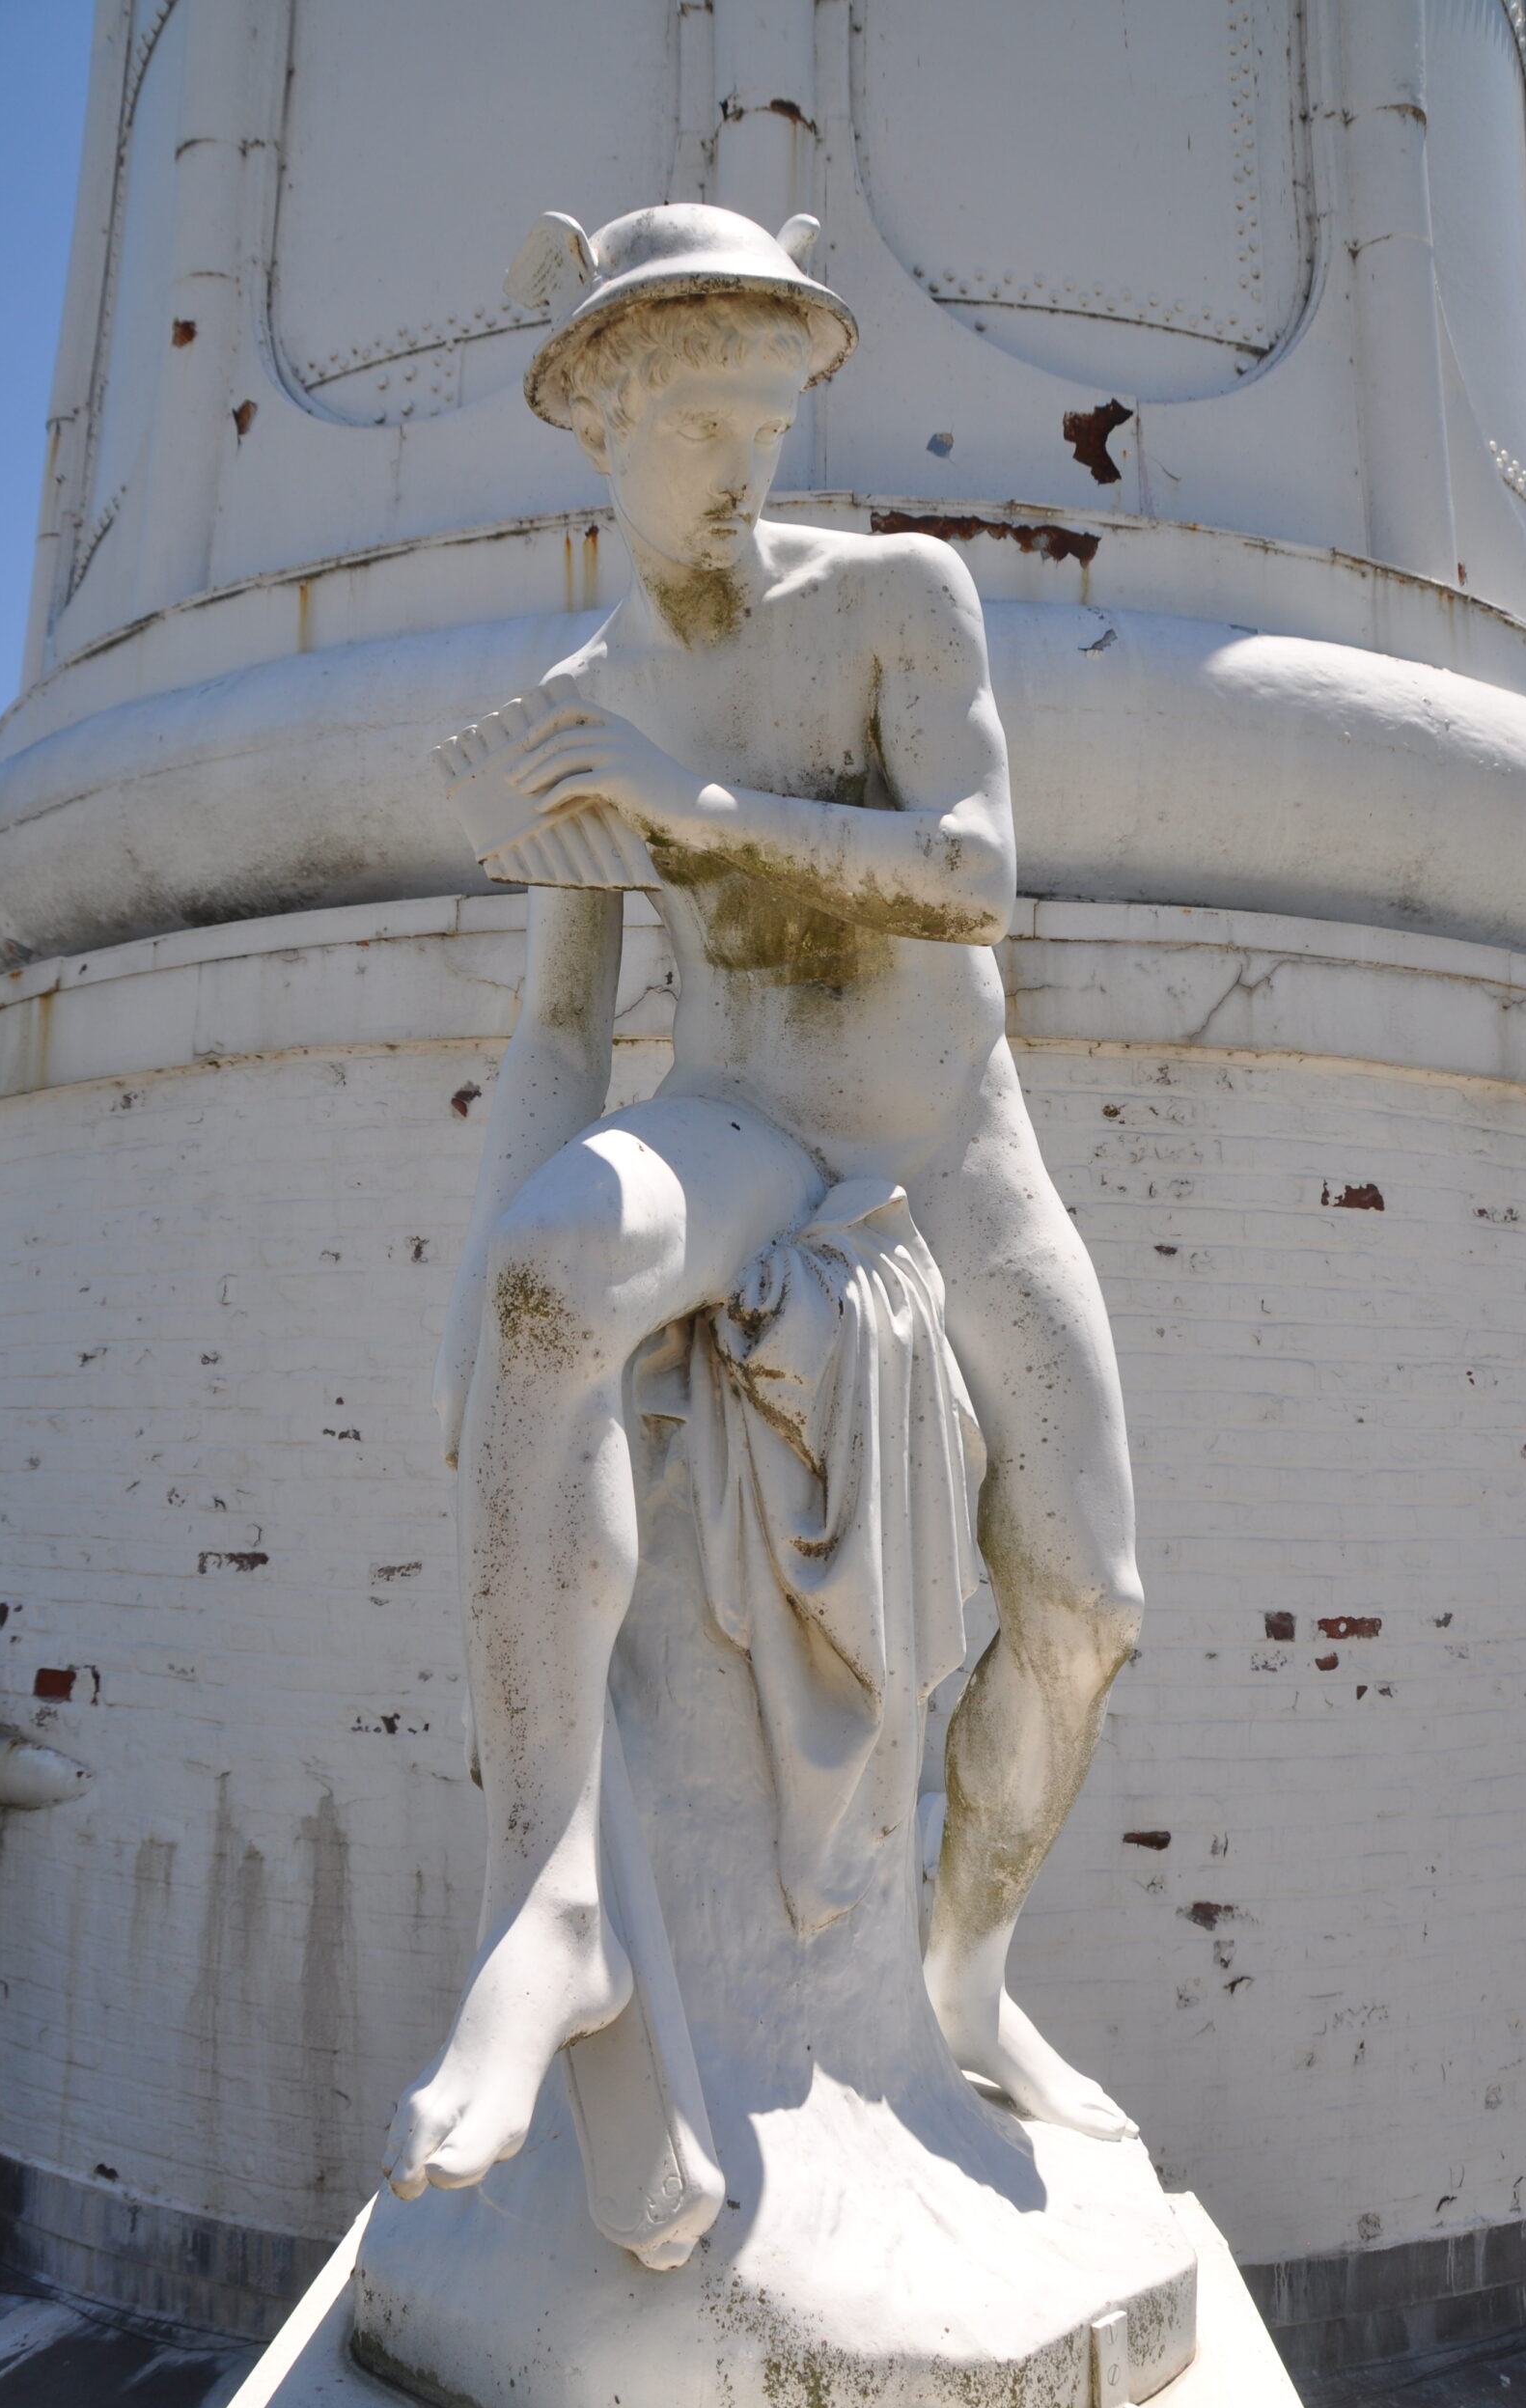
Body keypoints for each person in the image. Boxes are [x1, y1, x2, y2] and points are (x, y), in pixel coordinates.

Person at [383, 207, 1143, 2203]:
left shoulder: (893, 601)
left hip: (946, 1146)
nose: (743, 462)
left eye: (769, 419)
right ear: (601, 422)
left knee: (1086, 1602)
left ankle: (966, 1975)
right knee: (550, 1277)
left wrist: (690, 807)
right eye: (700, 423)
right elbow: (560, 1031)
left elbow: (973, 875)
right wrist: (478, 1300)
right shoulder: (581, 694)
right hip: (733, 1117)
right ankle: (550, 1899)